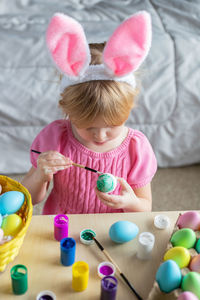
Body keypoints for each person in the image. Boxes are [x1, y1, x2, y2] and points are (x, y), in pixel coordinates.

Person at [22, 11, 157, 215]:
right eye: (88, 127)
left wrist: (129, 202)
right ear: (68, 112)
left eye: (112, 126)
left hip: (112, 231)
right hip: (63, 227)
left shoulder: (135, 148)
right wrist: (41, 174)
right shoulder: (55, 137)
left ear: (127, 110)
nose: (100, 135)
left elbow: (145, 208)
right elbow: (29, 199)